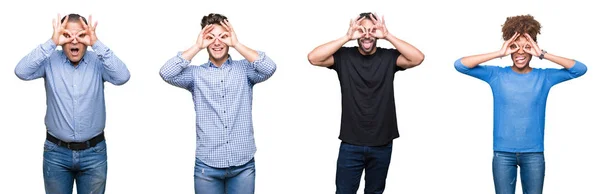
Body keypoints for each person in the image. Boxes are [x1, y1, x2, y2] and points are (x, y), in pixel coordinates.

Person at [454, 14, 587, 194]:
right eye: (515, 46)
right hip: (502, 154)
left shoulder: (544, 77)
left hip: (534, 154)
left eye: (527, 46)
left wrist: (542, 54)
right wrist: (499, 53)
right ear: (509, 46)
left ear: (533, 48)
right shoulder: (496, 75)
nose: (521, 52)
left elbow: (579, 69)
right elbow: (460, 65)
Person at [307, 12, 425, 194]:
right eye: (362, 30)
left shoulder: (389, 57)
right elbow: (313, 58)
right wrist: (346, 37)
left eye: (372, 30)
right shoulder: (344, 56)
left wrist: (388, 35)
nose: (367, 35)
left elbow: (417, 58)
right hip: (351, 142)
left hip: (382, 142)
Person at [159, 13, 276, 194]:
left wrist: (237, 44)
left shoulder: (245, 70)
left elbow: (269, 67)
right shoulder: (195, 75)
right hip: (208, 167)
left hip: (242, 166)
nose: (217, 42)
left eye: (223, 36)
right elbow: (166, 73)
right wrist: (197, 46)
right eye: (210, 37)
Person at [14, 13, 131, 194]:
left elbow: (123, 77)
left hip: (94, 154)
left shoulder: (98, 61)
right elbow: (21, 71)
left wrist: (96, 43)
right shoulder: (49, 61)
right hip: (56, 154)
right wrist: (51, 42)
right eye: (67, 36)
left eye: (81, 35)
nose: (74, 41)